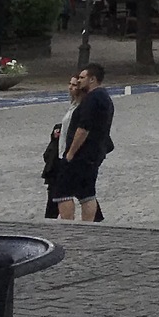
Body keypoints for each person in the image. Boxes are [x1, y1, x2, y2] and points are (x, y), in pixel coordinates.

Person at [54, 62, 114, 222]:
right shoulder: (103, 97)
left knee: (62, 193)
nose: (79, 81)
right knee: (86, 192)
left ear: (92, 79)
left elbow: (83, 128)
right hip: (93, 153)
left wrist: (70, 153)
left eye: (82, 77)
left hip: (82, 154)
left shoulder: (93, 98)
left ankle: (69, 226)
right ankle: (88, 227)